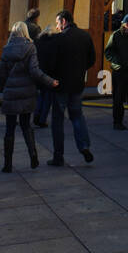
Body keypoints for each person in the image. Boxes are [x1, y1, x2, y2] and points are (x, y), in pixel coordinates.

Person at [0, 22, 58, 172]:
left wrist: (2, 88)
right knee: (26, 126)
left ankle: (8, 164)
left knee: (9, 129)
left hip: (11, 93)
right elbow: (35, 71)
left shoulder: (6, 49)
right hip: (26, 92)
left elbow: (2, 73)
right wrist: (50, 81)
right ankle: (33, 155)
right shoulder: (30, 47)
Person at [47, 9, 95, 166]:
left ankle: (58, 155)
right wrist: (81, 70)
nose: (57, 26)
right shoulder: (85, 36)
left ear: (63, 21)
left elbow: (51, 63)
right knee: (77, 116)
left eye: (57, 23)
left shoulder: (59, 39)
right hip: (77, 84)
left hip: (60, 85)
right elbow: (91, 59)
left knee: (58, 120)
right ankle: (84, 146)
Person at [33, 24, 59, 127]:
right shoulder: (55, 43)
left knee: (40, 96)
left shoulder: (37, 42)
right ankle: (42, 119)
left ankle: (36, 114)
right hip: (50, 74)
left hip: (39, 72)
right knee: (48, 98)